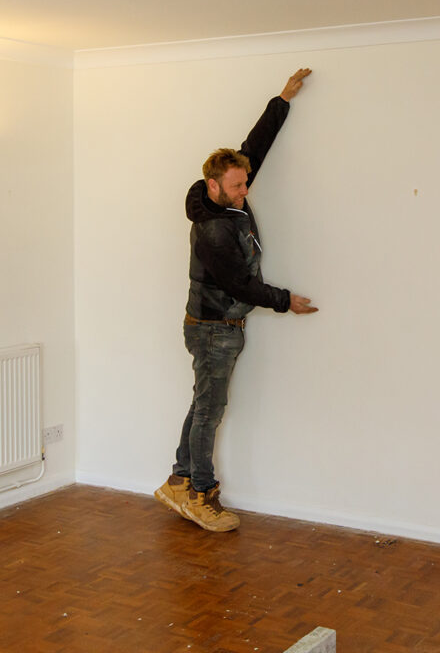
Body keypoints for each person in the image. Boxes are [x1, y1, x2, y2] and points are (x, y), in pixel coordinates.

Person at [154, 68, 319, 532]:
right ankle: (201, 495)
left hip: (216, 326)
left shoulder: (228, 194)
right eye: (238, 186)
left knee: (203, 403)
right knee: (210, 409)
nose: (246, 192)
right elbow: (242, 286)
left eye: (245, 183)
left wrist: (283, 99)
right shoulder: (213, 230)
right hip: (213, 329)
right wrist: (286, 300)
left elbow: (256, 145)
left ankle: (178, 481)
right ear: (213, 186)